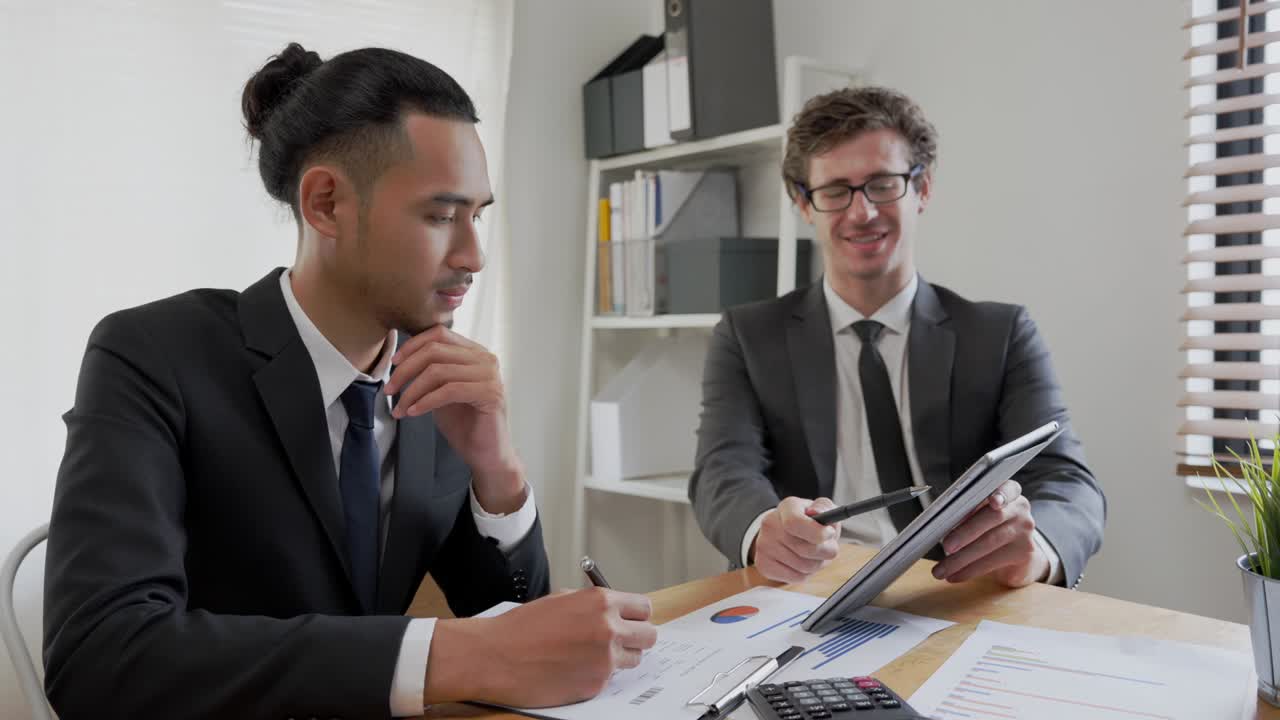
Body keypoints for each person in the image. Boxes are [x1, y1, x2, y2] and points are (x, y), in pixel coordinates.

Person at [43, 43, 656, 719]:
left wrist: (498, 473)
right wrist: (454, 656)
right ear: (327, 203)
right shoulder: (155, 355)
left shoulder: (437, 380)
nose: (473, 255)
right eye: (440, 215)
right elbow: (100, 657)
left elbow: (510, 627)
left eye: (477, 215)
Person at [689, 86, 1105, 591]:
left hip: (957, 591)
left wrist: (1033, 551)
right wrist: (762, 531)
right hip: (812, 593)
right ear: (804, 203)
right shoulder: (747, 337)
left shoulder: (1002, 335)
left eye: (883, 184)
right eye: (835, 190)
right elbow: (722, 471)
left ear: (922, 188)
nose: (861, 213)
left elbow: (1068, 482)